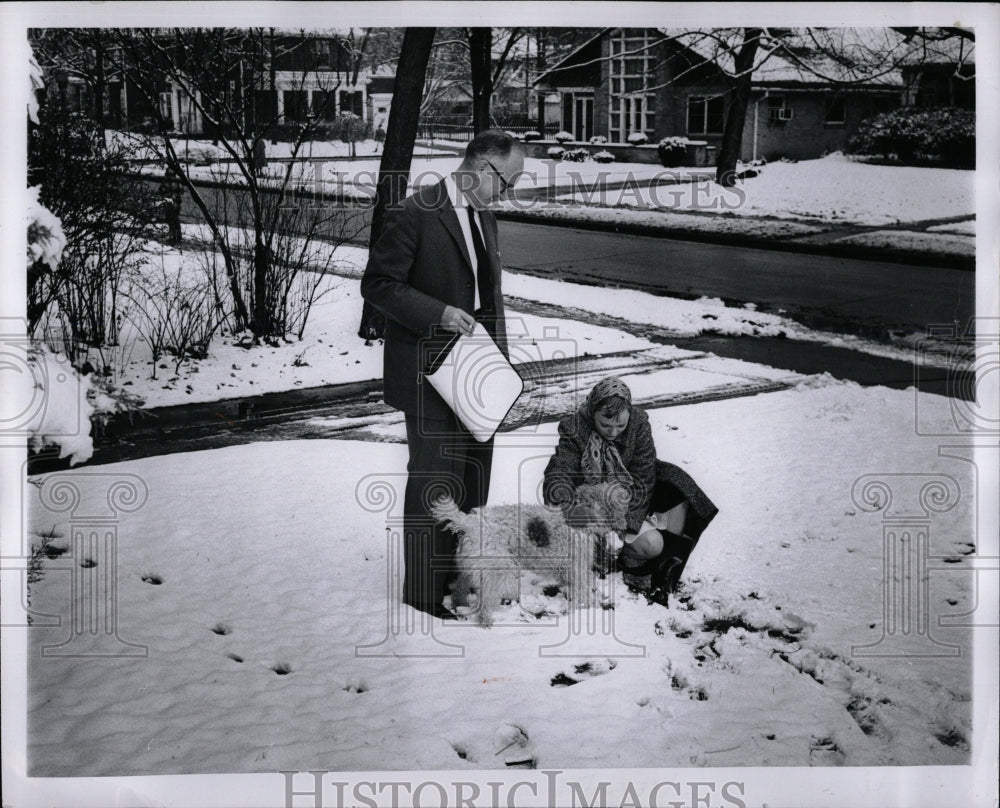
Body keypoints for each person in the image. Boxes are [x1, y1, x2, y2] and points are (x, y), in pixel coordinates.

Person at [360, 130, 525, 619]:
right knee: (434, 482)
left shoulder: (485, 217)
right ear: (479, 166)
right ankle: (424, 595)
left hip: (478, 374)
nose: (506, 193)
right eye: (506, 181)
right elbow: (378, 285)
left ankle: (461, 577)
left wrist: (500, 367)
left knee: (474, 477)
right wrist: (438, 313)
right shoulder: (415, 212)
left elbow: (488, 300)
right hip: (427, 372)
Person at [543, 377, 718, 602]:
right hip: (590, 502)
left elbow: (643, 476)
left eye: (620, 426)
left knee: (665, 525)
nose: (613, 432)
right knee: (581, 542)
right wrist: (564, 501)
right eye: (605, 425)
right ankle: (602, 553)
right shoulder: (575, 427)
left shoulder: (638, 424)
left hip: (630, 497)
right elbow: (561, 467)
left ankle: (635, 561)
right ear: (592, 411)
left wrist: (626, 522)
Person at [161, 168, 183, 245]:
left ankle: (173, 236)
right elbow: (181, 191)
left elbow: (161, 190)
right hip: (177, 203)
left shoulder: (166, 181)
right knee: (176, 219)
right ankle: (178, 235)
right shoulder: (178, 180)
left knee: (170, 219)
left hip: (170, 203)